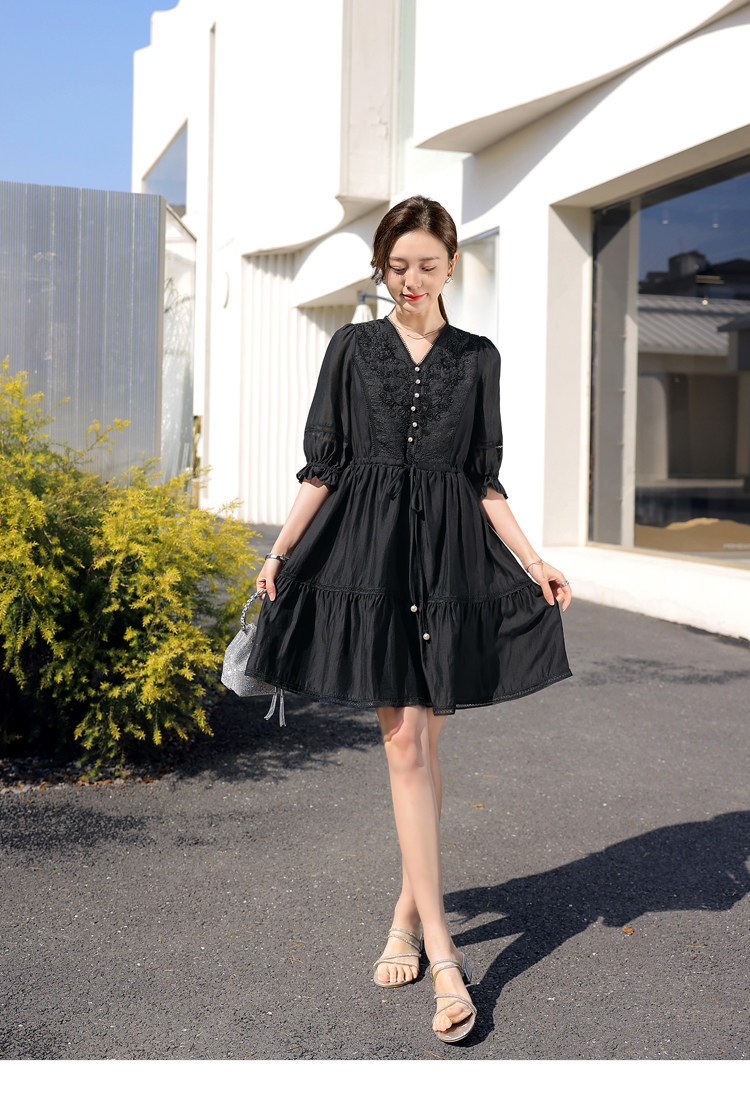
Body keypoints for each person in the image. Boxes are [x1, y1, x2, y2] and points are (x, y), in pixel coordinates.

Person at [245, 195, 572, 1043]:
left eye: (427, 265)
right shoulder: (352, 348)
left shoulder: (479, 357)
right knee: (405, 744)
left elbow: (484, 479)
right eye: (397, 266)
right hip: (372, 559)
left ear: (453, 264)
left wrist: (533, 561)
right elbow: (324, 466)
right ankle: (446, 955)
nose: (412, 280)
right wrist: (279, 552)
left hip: (453, 561)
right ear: (381, 268)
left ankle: (404, 916)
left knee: (423, 746)